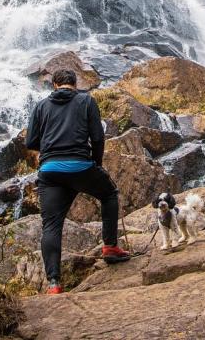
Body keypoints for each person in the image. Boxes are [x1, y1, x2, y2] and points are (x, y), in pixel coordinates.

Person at [25, 69, 130, 294]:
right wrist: (96, 163)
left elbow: (31, 141)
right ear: (75, 83)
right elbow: (98, 137)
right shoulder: (86, 101)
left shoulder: (41, 106)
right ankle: (110, 247)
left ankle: (54, 283)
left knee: (51, 225)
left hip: (50, 170)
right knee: (109, 194)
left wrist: (51, 149)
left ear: (54, 85)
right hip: (81, 166)